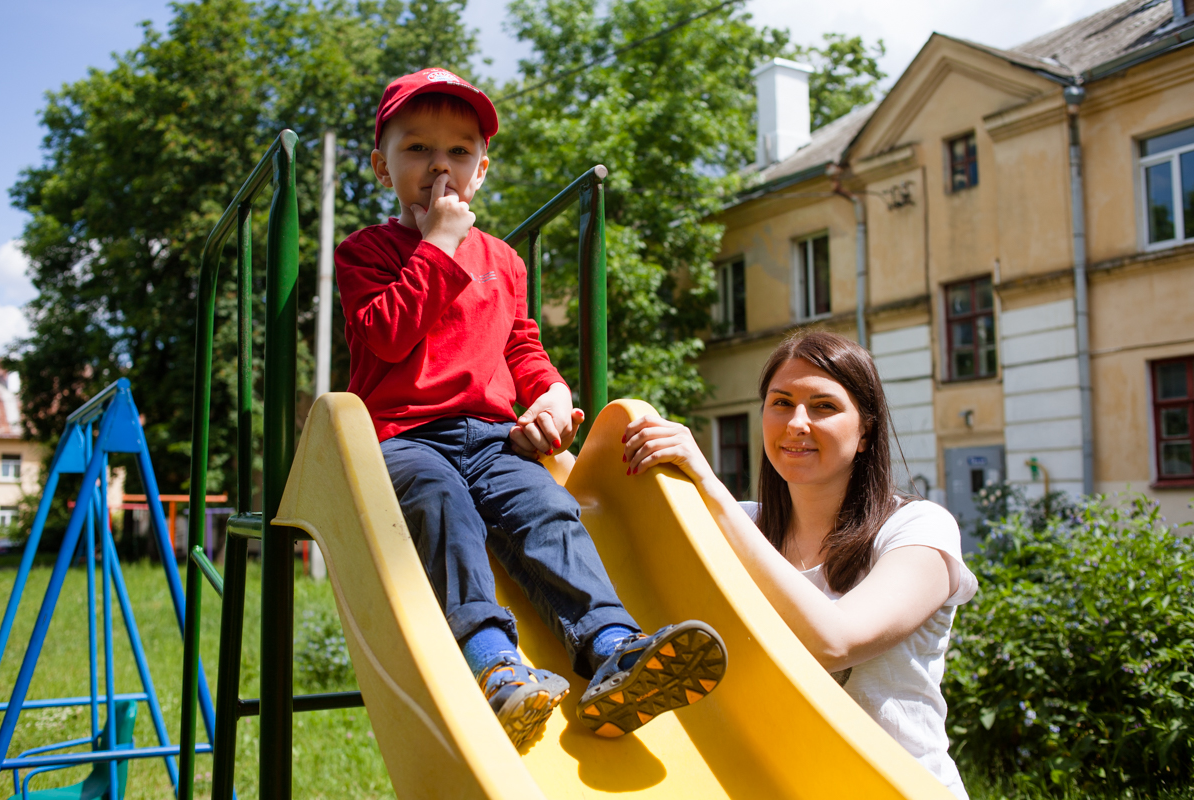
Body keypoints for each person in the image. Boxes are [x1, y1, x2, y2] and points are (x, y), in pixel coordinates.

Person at [334, 68, 726, 749]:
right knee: (438, 503)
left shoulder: (504, 262)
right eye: (417, 149)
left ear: (481, 169)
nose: (440, 167)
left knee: (547, 508)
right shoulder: (366, 252)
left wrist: (553, 393)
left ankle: (612, 649)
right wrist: (440, 245)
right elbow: (386, 333)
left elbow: (523, 347)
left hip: (492, 437)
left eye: (459, 152)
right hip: (402, 437)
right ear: (381, 165)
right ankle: (494, 667)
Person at [623, 331, 976, 798]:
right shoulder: (744, 522)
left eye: (824, 406)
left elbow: (835, 641)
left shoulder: (918, 528)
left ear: (866, 431)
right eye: (781, 403)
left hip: (899, 788)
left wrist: (709, 488)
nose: (797, 423)